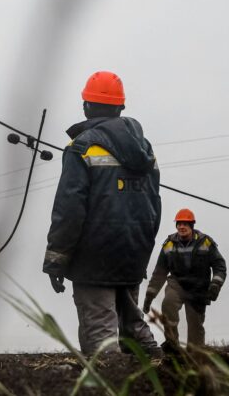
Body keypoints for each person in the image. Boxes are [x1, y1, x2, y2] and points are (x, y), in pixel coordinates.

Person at [42, 71, 162, 355]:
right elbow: (154, 205)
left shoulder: (80, 148)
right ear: (121, 107)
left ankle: (109, 377)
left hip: (93, 257)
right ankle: (162, 373)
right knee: (133, 325)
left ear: (86, 106)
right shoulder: (145, 149)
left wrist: (56, 260)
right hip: (134, 250)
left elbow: (69, 210)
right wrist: (141, 247)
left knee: (100, 335)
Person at [143, 208, 227, 348]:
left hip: (198, 289)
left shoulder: (205, 242)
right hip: (177, 285)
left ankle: (195, 353)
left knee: (195, 326)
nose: (181, 227)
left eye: (185, 224)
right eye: (179, 224)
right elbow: (159, 273)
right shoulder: (169, 245)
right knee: (168, 304)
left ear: (191, 226)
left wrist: (215, 285)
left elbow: (220, 266)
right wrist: (149, 297)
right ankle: (172, 345)